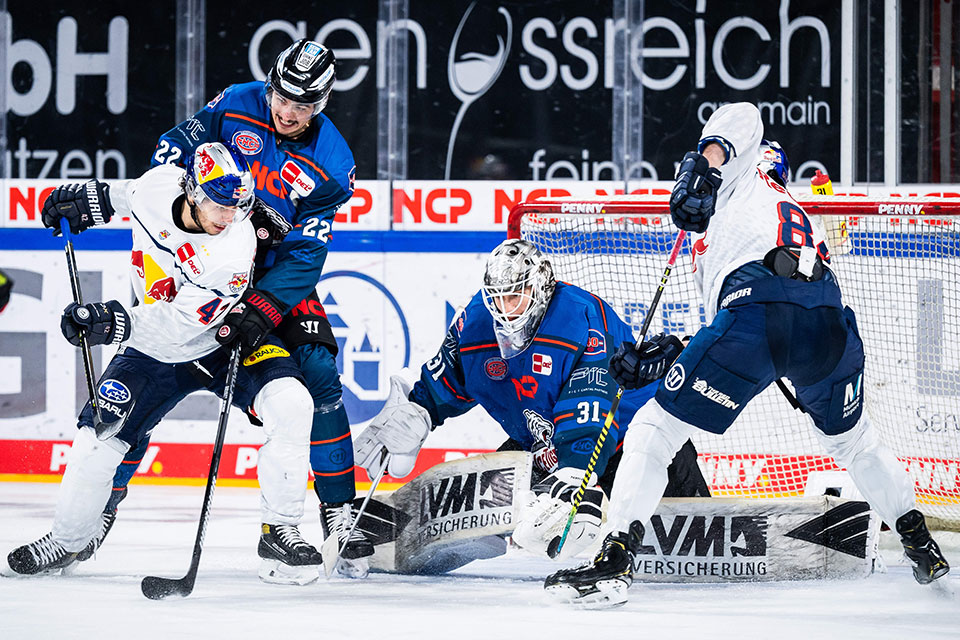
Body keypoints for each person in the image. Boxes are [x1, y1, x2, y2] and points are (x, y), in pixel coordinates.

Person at [544, 102, 950, 607]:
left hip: (758, 314)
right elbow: (733, 316)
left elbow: (741, 116)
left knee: (654, 430)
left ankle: (615, 558)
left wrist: (707, 163)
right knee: (855, 444)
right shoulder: (779, 215)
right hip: (825, 325)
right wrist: (671, 357)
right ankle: (919, 542)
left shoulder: (742, 179)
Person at [95, 39, 371, 576]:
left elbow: (308, 251)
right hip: (196, 266)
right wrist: (177, 212)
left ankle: (336, 512)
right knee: (143, 374)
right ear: (270, 84)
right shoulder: (236, 102)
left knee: (317, 374)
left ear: (323, 102)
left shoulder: (334, 164)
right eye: (281, 97)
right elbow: (175, 145)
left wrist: (262, 309)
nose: (287, 112)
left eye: (303, 105)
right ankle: (101, 504)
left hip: (270, 277)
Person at [4, 143, 323, 585]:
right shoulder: (158, 186)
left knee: (292, 404)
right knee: (95, 440)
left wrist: (111, 321)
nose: (227, 215)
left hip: (221, 342)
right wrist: (84, 201)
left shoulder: (232, 250)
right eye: (216, 202)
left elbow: (178, 325)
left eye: (236, 205)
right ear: (190, 190)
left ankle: (279, 532)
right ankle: (70, 538)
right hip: (151, 349)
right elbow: (126, 195)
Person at [353, 238, 709, 565]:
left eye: (516, 295)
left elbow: (591, 408)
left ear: (539, 288)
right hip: (544, 445)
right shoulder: (476, 321)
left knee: (693, 546)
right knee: (473, 506)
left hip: (630, 440)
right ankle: (390, 533)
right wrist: (420, 411)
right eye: (498, 297)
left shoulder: (579, 316)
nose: (505, 309)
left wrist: (571, 479)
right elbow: (450, 376)